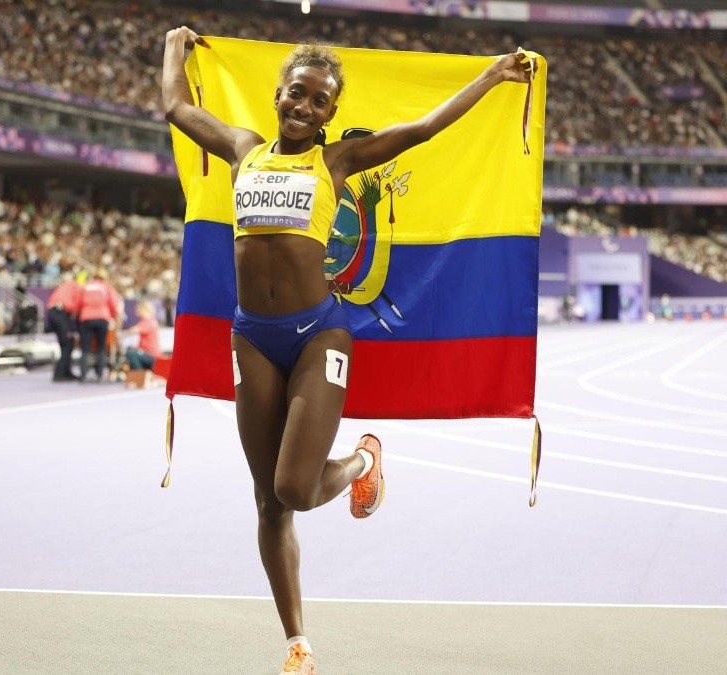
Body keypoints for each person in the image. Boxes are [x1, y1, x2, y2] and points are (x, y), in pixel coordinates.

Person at [163, 28, 531, 673]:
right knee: (267, 500)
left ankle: (362, 462)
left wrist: (492, 77)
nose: (304, 106)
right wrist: (175, 44)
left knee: (297, 489)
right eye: (296, 94)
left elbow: (420, 130)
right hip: (250, 335)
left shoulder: (336, 164)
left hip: (317, 335)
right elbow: (174, 107)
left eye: (320, 100)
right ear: (277, 95)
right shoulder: (243, 149)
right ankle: (296, 642)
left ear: (332, 113)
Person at [76, 266, 121, 382]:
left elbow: (79, 303)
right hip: (102, 318)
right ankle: (100, 375)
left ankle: (83, 376)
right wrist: (111, 316)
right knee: (101, 348)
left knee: (85, 348)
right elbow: (114, 304)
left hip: (86, 318)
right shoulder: (106, 287)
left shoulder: (86, 286)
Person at [46, 272, 84, 382]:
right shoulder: (77, 286)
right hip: (60, 312)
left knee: (65, 343)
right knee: (68, 343)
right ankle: (59, 373)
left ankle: (66, 371)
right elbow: (77, 306)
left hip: (53, 312)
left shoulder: (66, 285)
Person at [122, 299, 161, 371]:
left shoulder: (148, 321)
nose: (136, 311)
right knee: (132, 351)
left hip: (151, 355)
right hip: (148, 353)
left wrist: (121, 334)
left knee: (131, 354)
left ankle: (139, 374)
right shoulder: (151, 321)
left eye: (138, 309)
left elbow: (134, 330)